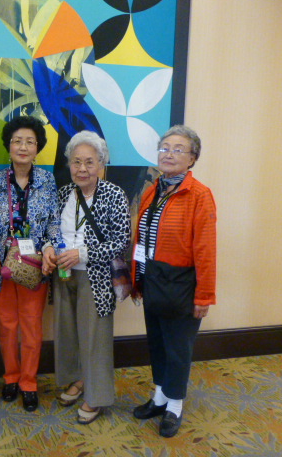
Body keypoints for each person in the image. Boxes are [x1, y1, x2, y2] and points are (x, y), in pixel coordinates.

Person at [131, 125, 217, 438]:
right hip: (153, 278)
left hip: (182, 283)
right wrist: (138, 278)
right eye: (165, 148)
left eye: (178, 149)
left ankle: (175, 405)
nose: (168, 154)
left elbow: (205, 250)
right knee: (157, 342)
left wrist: (204, 295)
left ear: (192, 158)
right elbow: (142, 238)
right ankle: (159, 397)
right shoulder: (154, 189)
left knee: (178, 348)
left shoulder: (199, 195)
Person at [0, 115, 62, 412]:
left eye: (29, 142)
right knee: (6, 325)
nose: (23, 147)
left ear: (37, 147)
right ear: (8, 146)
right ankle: (11, 377)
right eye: (17, 141)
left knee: (31, 326)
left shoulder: (47, 180)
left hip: (35, 267)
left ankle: (28, 382)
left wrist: (51, 248)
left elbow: (53, 222)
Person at [53, 131, 131, 424]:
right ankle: (79, 379)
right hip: (64, 274)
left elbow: (121, 241)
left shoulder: (114, 194)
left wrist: (82, 253)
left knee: (95, 338)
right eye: (76, 162)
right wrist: (51, 248)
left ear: (101, 163)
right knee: (70, 333)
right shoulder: (64, 193)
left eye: (89, 162)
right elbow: (52, 228)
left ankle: (96, 396)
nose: (82, 168)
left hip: (96, 278)